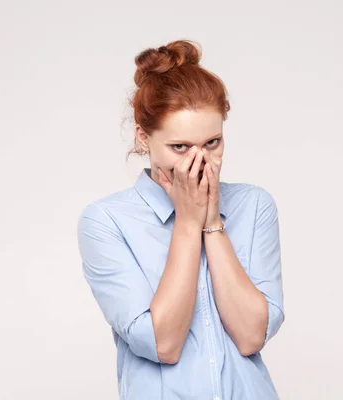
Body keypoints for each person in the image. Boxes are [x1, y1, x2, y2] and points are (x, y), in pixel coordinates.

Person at [77, 39, 285, 400]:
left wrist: (211, 222)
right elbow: (163, 344)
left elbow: (251, 336)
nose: (200, 161)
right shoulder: (106, 221)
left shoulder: (253, 206)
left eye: (213, 142)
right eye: (180, 147)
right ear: (144, 138)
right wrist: (188, 223)